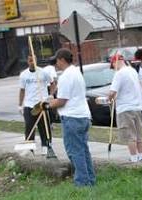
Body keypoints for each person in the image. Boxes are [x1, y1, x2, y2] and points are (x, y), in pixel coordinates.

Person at [48, 48, 96, 187]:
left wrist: (48, 104)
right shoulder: (76, 72)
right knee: (83, 150)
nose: (56, 63)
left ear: (62, 60)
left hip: (72, 118)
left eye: (57, 60)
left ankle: (82, 182)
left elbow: (62, 100)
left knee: (74, 151)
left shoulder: (66, 76)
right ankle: (90, 180)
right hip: (83, 116)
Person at [108, 54, 142, 162]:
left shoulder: (119, 74)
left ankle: (133, 158)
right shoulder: (133, 71)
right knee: (139, 134)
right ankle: (141, 156)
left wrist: (109, 98)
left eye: (113, 65)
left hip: (125, 108)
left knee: (130, 135)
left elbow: (112, 92)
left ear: (115, 63)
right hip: (137, 107)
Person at [18, 54, 53, 155]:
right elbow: (22, 90)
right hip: (29, 104)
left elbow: (53, 83)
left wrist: (50, 95)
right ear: (27, 62)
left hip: (41, 104)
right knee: (29, 127)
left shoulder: (43, 72)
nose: (32, 62)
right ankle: (30, 148)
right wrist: (20, 105)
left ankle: (46, 146)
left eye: (34, 60)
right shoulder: (24, 75)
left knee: (44, 126)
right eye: (30, 60)